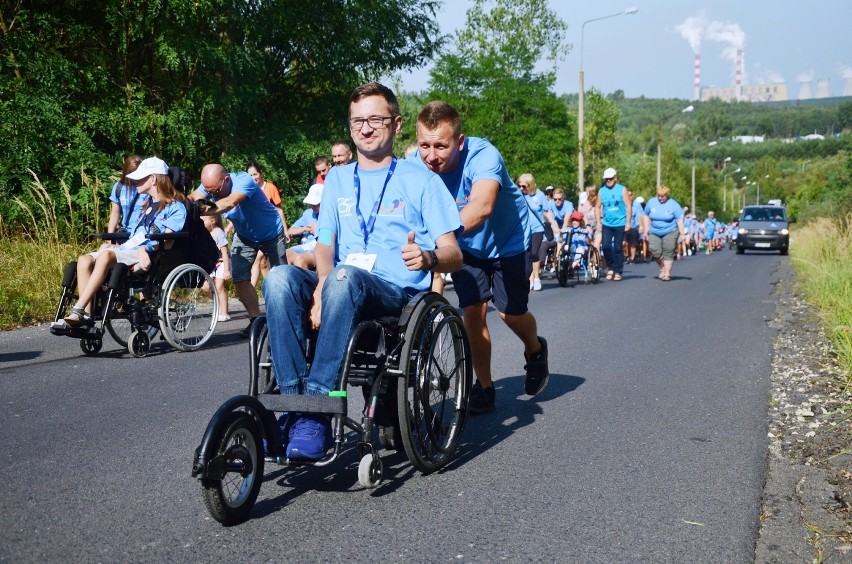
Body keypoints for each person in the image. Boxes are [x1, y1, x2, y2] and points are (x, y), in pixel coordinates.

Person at [262, 82, 462, 460]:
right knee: (278, 278)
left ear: (397, 124)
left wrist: (430, 257)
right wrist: (321, 282)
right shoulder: (336, 178)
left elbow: (454, 253)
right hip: (339, 282)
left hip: (390, 292)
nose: (366, 128)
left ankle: (318, 412)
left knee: (344, 277)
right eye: (357, 121)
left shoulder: (423, 181)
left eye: (375, 119)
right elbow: (325, 246)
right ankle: (293, 404)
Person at [411, 100, 549, 414]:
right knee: (472, 313)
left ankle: (535, 349)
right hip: (467, 250)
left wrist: (441, 240)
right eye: (424, 145)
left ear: (459, 141)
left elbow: (483, 206)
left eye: (441, 146)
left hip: (507, 243)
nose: (431, 156)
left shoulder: (484, 156)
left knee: (511, 314)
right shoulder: (415, 163)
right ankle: (484, 387)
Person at [56, 157, 187, 327]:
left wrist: (144, 250)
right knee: (84, 260)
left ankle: (78, 308)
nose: (135, 182)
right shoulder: (147, 206)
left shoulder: (176, 207)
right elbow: (135, 236)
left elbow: (168, 243)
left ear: (153, 179)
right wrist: (114, 245)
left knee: (106, 257)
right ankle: (86, 317)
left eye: (140, 178)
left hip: (149, 255)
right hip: (130, 249)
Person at [188, 163, 289, 338]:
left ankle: (287, 320)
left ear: (226, 179)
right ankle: (256, 321)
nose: (211, 194)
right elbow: (193, 197)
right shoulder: (211, 185)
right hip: (245, 236)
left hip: (271, 233)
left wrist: (202, 211)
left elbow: (229, 202)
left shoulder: (244, 180)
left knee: (282, 278)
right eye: (208, 190)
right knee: (240, 278)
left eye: (214, 190)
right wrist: (180, 204)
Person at [246, 161, 285, 287]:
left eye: (255, 174)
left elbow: (279, 209)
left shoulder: (270, 188)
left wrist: (286, 229)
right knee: (262, 263)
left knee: (258, 260)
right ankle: (270, 288)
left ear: (260, 173)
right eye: (250, 175)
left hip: (271, 230)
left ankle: (252, 290)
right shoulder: (247, 190)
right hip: (255, 232)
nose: (253, 178)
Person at [641, 185, 687, 281]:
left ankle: (667, 273)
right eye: (659, 196)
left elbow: (679, 220)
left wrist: (682, 234)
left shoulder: (674, 204)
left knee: (668, 251)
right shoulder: (651, 202)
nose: (660, 198)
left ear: (667, 195)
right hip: (654, 231)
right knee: (654, 250)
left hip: (670, 231)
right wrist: (645, 229)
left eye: (663, 196)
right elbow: (645, 215)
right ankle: (663, 266)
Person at [595, 167, 631, 281]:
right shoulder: (601, 191)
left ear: (615, 178)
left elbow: (628, 206)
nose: (608, 181)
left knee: (617, 247)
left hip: (620, 223)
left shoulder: (622, 189)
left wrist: (628, 222)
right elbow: (597, 206)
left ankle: (618, 271)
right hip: (607, 223)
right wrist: (598, 222)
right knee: (605, 246)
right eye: (606, 179)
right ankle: (611, 267)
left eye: (610, 178)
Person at [518, 173, 547, 292]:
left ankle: (536, 278)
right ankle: (529, 279)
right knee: (527, 254)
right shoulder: (519, 195)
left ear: (530, 185)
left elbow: (547, 212)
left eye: (524, 186)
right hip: (524, 229)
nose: (521, 189)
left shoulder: (540, 195)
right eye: (519, 186)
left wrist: (555, 226)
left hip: (537, 228)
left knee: (534, 253)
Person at [106, 155, 147, 239]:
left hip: (141, 234)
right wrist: (110, 237)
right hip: (125, 233)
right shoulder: (118, 187)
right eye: (131, 172)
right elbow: (115, 213)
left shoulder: (146, 186)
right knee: (105, 248)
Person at [286, 183, 323, 270]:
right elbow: (290, 231)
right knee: (286, 255)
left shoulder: (330, 214)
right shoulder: (308, 213)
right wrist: (304, 228)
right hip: (304, 246)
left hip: (319, 247)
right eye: (311, 203)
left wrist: (317, 230)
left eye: (316, 204)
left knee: (300, 260)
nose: (312, 206)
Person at [202, 214, 232, 321]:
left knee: (219, 287)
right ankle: (218, 303)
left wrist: (227, 270)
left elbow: (225, 253)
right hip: (211, 264)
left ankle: (224, 313)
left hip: (222, 262)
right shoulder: (205, 233)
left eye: (204, 220)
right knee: (205, 286)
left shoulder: (219, 233)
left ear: (213, 220)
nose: (201, 222)